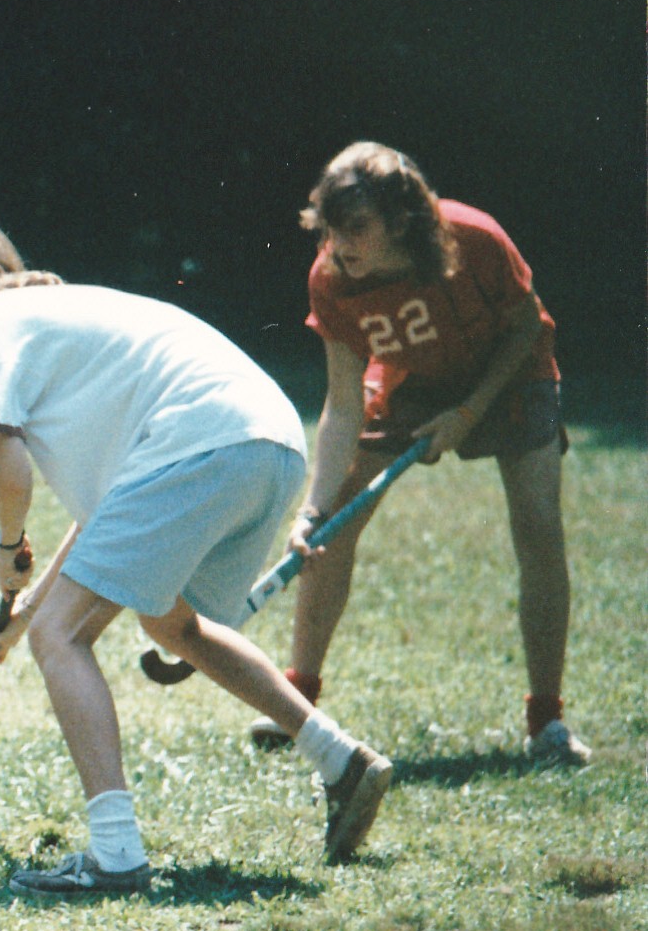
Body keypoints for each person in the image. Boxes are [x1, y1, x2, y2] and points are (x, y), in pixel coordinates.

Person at [0, 213, 394, 898]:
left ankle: (116, 854)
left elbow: (8, 459)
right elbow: (110, 516)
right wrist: (24, 611)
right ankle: (340, 758)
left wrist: (9, 547)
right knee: (171, 623)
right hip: (269, 442)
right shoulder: (54, 316)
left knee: (63, 637)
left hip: (201, 442)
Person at [246, 142, 588, 767]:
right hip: (410, 380)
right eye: (330, 228)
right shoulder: (331, 278)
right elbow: (343, 404)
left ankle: (547, 721)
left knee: (539, 526)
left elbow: (526, 327)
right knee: (333, 526)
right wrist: (311, 510)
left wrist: (468, 413)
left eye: (356, 228)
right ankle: (297, 704)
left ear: (401, 221)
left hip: (511, 375)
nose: (338, 245)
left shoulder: (474, 238)